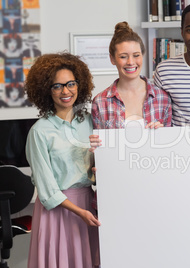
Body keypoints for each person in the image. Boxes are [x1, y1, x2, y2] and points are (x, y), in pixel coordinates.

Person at [25, 52, 100, 268]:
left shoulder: (89, 121)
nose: (65, 91)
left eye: (70, 84)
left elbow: (97, 167)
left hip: (88, 203)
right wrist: (80, 212)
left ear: (79, 85)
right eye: (57, 86)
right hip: (58, 211)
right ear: (47, 91)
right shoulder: (40, 131)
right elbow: (47, 190)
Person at [92, 21, 171, 130]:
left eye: (136, 55)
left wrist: (162, 134)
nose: (130, 62)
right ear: (112, 59)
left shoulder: (162, 98)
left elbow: (170, 144)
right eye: (123, 56)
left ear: (142, 55)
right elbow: (100, 145)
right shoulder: (100, 102)